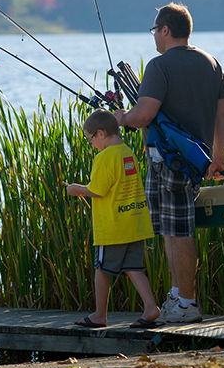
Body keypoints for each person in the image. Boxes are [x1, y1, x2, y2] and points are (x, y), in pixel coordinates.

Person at [114, 2, 224, 324]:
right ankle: (178, 295)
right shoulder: (211, 63)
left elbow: (144, 115)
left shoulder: (159, 66)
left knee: (179, 232)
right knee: (170, 228)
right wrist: (217, 158)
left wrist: (121, 117)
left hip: (169, 161)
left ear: (165, 30)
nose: (154, 36)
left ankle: (188, 304)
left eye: (155, 29)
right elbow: (223, 115)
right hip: (195, 161)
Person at [65, 108, 160, 328]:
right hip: (134, 223)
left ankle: (99, 315)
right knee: (133, 268)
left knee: (102, 268)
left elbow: (97, 190)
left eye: (90, 140)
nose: (92, 145)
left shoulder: (104, 158)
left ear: (100, 133)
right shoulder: (128, 152)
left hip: (114, 227)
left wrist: (76, 189)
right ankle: (150, 308)